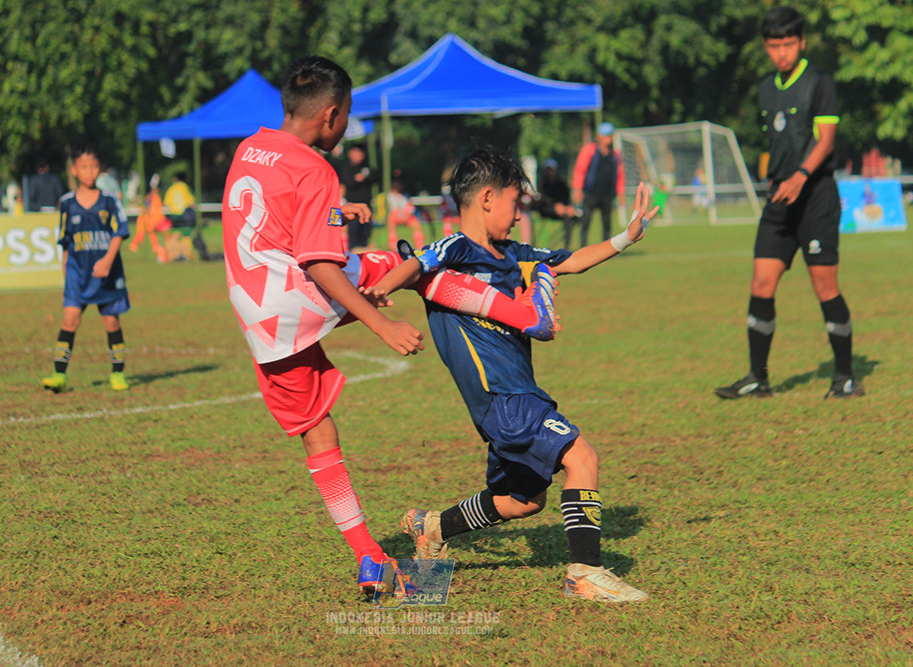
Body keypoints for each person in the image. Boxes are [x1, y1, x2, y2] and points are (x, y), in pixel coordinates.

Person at [222, 57, 561, 598]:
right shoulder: (315, 169)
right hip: (299, 288)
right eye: (348, 114)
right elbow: (320, 266)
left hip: (257, 316)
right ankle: (525, 314)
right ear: (331, 114)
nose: (346, 124)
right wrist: (381, 325)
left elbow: (271, 214)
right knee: (405, 266)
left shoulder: (249, 148)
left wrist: (334, 215)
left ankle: (370, 558)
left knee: (318, 431)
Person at [368, 148, 658, 602]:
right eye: (514, 202)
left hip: (511, 396)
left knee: (524, 500)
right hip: (503, 396)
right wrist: (381, 290)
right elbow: (417, 264)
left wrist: (626, 237)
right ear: (486, 198)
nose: (519, 213)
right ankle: (585, 572)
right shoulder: (455, 249)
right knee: (582, 458)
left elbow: (573, 261)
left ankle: (433, 527)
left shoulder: (514, 254)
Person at [715, 5, 862, 400]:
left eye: (789, 44)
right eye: (774, 45)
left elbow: (825, 140)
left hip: (815, 197)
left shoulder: (819, 83)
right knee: (761, 283)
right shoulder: (766, 88)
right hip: (780, 199)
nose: (782, 52)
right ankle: (757, 378)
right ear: (766, 46)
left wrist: (800, 176)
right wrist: (778, 176)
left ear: (801, 42)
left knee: (824, 286)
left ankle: (846, 377)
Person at [42, 144, 130, 393]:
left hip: (107, 275)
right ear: (74, 170)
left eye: (93, 167)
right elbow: (65, 243)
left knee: (111, 322)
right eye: (83, 167)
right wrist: (65, 276)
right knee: (70, 320)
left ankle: (118, 374)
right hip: (77, 275)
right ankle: (58, 375)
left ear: (99, 169)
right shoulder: (67, 203)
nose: (89, 172)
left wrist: (107, 260)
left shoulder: (110, 201)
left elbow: (119, 232)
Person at [571, 122, 625, 247]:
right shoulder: (589, 151)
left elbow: (620, 174)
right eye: (606, 135)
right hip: (590, 193)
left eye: (610, 135)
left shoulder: (615, 155)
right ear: (599, 136)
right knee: (585, 221)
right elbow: (580, 170)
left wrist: (620, 192)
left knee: (607, 223)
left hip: (607, 194)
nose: (609, 139)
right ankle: (582, 248)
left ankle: (607, 249)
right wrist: (577, 189)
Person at [337, 143, 376, 251]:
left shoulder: (367, 167)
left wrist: (362, 178)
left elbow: (374, 177)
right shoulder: (346, 169)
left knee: (365, 233)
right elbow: (349, 182)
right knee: (351, 232)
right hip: (351, 206)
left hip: (366, 205)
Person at [535, 158, 580, 247]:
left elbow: (566, 198)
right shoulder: (542, 183)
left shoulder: (562, 183)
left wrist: (569, 207)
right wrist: (555, 206)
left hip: (563, 210)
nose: (549, 172)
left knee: (569, 218)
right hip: (547, 209)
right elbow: (542, 199)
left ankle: (567, 246)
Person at [129, 174, 169, 263]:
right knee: (146, 233)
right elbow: (146, 207)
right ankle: (136, 245)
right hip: (152, 220)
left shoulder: (155, 197)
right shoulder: (150, 197)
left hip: (157, 219)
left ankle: (161, 246)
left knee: (160, 233)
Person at [385, 177, 424, 250]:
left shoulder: (405, 195)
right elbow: (393, 210)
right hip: (396, 217)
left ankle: (419, 246)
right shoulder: (390, 196)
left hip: (406, 216)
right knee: (391, 222)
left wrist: (407, 216)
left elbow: (410, 208)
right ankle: (393, 247)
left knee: (416, 223)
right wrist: (399, 217)